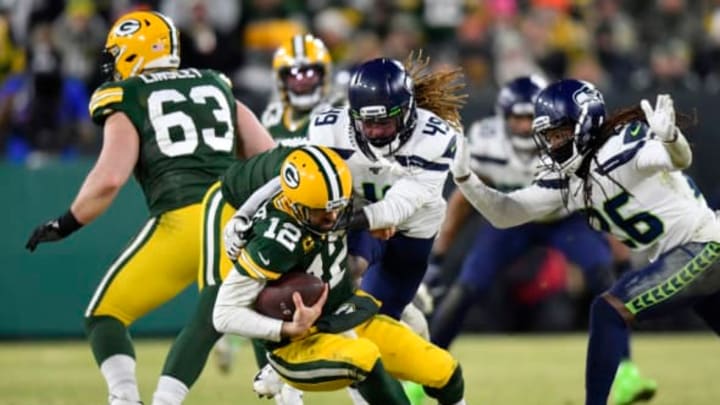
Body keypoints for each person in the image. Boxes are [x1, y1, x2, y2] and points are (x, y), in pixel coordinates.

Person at [25, 10, 275, 405]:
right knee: (218, 318)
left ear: (134, 52)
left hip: (182, 221)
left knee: (104, 314)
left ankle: (126, 398)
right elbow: (266, 155)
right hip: (235, 220)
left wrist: (66, 222)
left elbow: (109, 178)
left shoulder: (128, 95)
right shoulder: (216, 85)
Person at [451, 78, 720, 405]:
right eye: (548, 136)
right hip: (684, 257)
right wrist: (467, 180)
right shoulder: (569, 181)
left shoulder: (621, 148)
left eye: (561, 132)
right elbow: (506, 213)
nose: (554, 143)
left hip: (703, 245)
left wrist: (671, 138)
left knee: (609, 310)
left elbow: (676, 160)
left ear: (586, 122)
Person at [212, 145, 468, 405]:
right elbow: (223, 314)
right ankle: (277, 370)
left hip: (345, 314)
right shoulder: (274, 241)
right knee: (364, 357)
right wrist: (287, 327)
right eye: (323, 210)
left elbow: (289, 183)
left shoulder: (328, 192)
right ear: (296, 203)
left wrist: (377, 220)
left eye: (338, 207)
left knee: (444, 370)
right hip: (300, 343)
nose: (333, 216)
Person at [261, 33, 341, 145]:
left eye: (309, 73)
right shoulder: (273, 119)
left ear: (324, 74)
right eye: (294, 75)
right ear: (280, 79)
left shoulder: (338, 113)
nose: (302, 81)